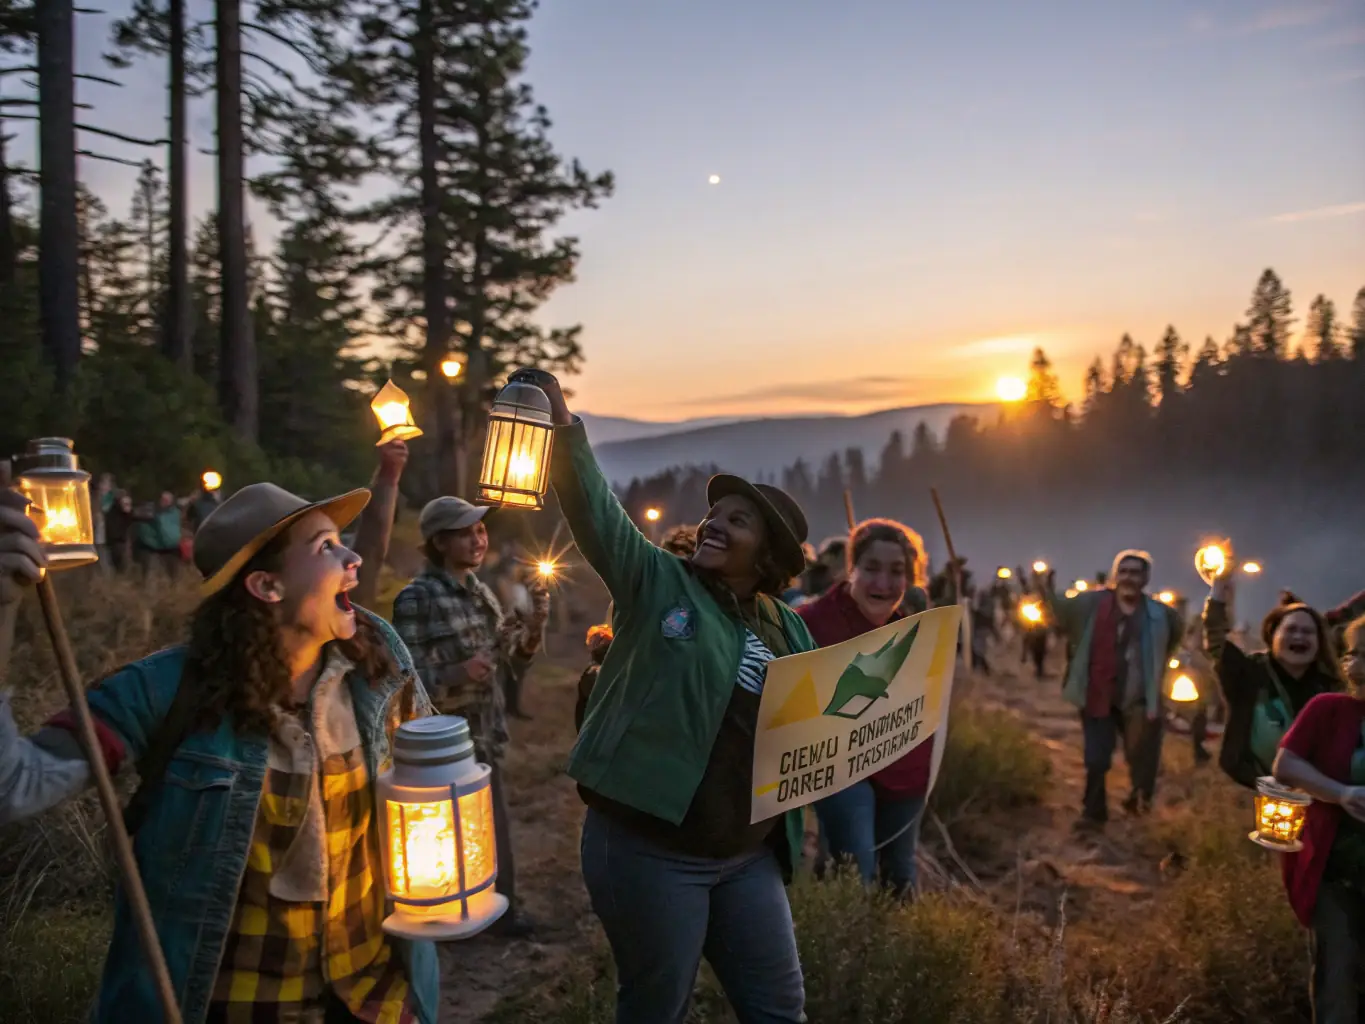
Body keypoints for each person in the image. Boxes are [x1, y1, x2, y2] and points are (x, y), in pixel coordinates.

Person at [0, 480, 441, 1023]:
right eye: (325, 546)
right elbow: (14, 786)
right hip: (235, 1007)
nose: (352, 559)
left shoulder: (376, 665)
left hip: (374, 1004)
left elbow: (438, 776)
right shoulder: (166, 692)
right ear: (266, 585)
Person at [517, 368, 813, 1024]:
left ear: (767, 555)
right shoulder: (658, 583)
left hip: (747, 854)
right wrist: (563, 427)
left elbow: (814, 718)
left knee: (779, 1009)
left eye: (737, 521)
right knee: (657, 1007)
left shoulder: (786, 626)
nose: (712, 525)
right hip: (649, 848)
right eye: (713, 514)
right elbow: (597, 516)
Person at [390, 496, 549, 938]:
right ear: (439, 542)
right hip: (444, 743)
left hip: (485, 732)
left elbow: (509, 661)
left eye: (480, 530)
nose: (478, 539)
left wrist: (533, 628)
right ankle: (470, 916)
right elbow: (402, 680)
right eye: (465, 533)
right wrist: (457, 673)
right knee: (457, 832)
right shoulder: (417, 598)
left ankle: (491, 911)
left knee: (488, 824)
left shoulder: (481, 592)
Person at [799, 518, 931, 899]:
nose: (883, 584)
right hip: (840, 765)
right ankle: (844, 933)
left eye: (896, 572)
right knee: (854, 869)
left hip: (903, 766)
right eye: (871, 568)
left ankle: (897, 937)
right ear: (851, 569)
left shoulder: (915, 631)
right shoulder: (809, 623)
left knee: (900, 874)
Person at [1047, 550, 1183, 829]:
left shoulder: (1161, 615)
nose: (1129, 578)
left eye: (1136, 573)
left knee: (1142, 756)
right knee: (1096, 758)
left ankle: (1139, 804)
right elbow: (1059, 611)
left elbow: (1172, 640)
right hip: (1098, 694)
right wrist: (1043, 587)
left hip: (1139, 698)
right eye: (1124, 572)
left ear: (1145, 578)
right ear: (1115, 576)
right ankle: (1093, 813)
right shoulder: (1091, 604)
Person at [1272, 615, 1365, 1024]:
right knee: (1336, 984)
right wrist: (1341, 793)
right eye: (1353, 653)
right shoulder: (1329, 709)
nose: (1353, 663)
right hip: (1336, 871)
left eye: (1362, 654)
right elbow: (1285, 765)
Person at [1205, 579, 1342, 789]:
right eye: (1291, 630)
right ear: (1272, 635)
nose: (1299, 636)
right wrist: (1217, 595)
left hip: (1321, 792)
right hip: (1258, 788)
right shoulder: (1247, 673)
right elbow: (1216, 641)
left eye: (1307, 632)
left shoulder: (1332, 685)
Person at [135, 490, 184, 579]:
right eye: (163, 499)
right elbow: (138, 516)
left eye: (168, 500)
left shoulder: (175, 512)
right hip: (155, 547)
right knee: (152, 573)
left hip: (173, 547)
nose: (166, 502)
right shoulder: (151, 511)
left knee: (174, 574)